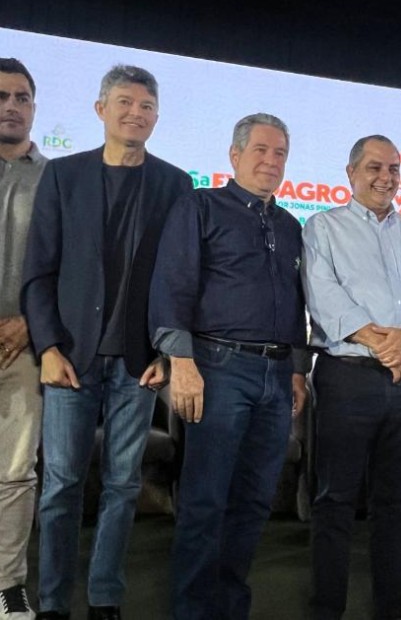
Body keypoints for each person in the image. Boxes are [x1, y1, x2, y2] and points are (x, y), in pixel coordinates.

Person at [22, 65, 192, 620]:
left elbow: (178, 278)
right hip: (70, 357)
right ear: (101, 110)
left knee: (123, 486)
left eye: (145, 106)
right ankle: (52, 602)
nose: (134, 114)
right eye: (124, 103)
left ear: (156, 117)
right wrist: (48, 348)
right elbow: (38, 272)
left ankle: (104, 598)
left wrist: (167, 352)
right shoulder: (63, 175)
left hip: (139, 364)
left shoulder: (174, 184)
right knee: (60, 486)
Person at [149, 112, 308, 620]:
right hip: (217, 368)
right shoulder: (200, 206)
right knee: (205, 501)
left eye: (280, 153)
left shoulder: (290, 225)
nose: (271, 161)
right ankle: (193, 611)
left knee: (255, 501)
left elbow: (296, 301)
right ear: (235, 155)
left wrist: (298, 368)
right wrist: (181, 361)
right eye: (261, 149)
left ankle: (230, 606)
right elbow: (173, 285)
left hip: (277, 376)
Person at [301, 135, 401, 620]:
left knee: (396, 500)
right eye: (374, 167)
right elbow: (323, 295)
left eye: (393, 168)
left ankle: (391, 607)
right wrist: (383, 343)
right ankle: (327, 608)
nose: (386, 177)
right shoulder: (323, 227)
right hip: (348, 378)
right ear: (351, 173)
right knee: (335, 499)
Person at [0, 58, 47, 620]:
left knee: (14, 473)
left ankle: (7, 584)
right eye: (1, 96)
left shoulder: (55, 179)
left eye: (21, 97)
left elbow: (68, 266)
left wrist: (31, 320)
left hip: (23, 346)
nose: (11, 106)